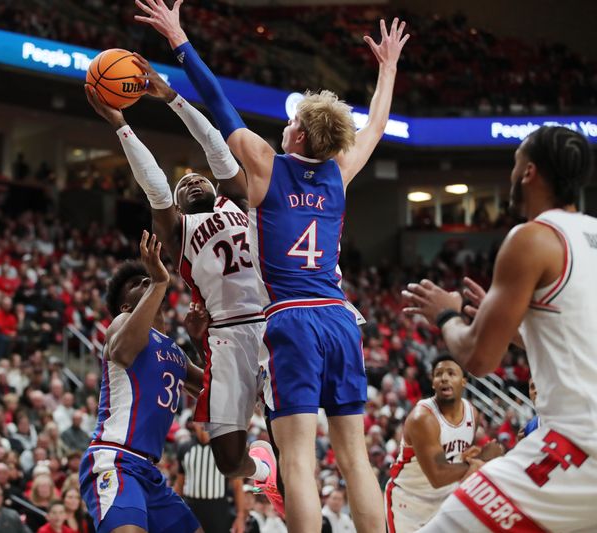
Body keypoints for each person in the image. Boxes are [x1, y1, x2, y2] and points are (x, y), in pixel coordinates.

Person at [136, 2, 408, 530]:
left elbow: (217, 100)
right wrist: (388, 67)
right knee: (356, 460)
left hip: (292, 321)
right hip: (340, 318)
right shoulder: (338, 171)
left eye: (292, 122)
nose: (285, 126)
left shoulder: (265, 166)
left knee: (299, 461)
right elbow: (375, 123)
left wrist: (178, 38)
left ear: (300, 136)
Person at [85, 54, 276, 499]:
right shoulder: (179, 233)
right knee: (228, 460)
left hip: (271, 320)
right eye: (182, 184)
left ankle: (287, 474)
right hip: (227, 334)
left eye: (198, 179)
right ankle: (262, 472)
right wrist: (121, 125)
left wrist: (172, 97)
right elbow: (153, 182)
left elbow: (216, 146)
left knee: (287, 424)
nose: (191, 180)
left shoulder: (239, 199)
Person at [402, 126, 596, 532]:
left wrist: (446, 314)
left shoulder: (533, 238)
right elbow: (573, 345)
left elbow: (478, 359)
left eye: (514, 164)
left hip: (579, 447)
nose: (511, 175)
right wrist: (503, 324)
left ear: (529, 172)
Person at [79, 232, 204, 533]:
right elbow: (122, 351)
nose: (146, 281)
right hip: (115, 458)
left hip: (149, 470)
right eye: (137, 284)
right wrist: (159, 283)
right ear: (125, 306)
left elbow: (214, 389)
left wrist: (201, 341)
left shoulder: (174, 350)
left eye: (147, 279)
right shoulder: (122, 324)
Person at [385, 355, 500, 532]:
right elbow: (437, 476)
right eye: (438, 374)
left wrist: (471, 458)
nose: (444, 378)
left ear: (463, 381)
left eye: (451, 373)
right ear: (433, 383)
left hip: (446, 498)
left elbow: (457, 461)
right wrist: (483, 459)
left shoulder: (472, 413)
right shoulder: (422, 418)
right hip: (410, 502)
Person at [175, 422, 244, 532]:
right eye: (200, 420)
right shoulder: (184, 448)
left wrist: (240, 516)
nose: (204, 424)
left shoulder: (225, 449)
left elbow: (237, 485)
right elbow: (179, 484)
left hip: (218, 510)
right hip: (191, 508)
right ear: (194, 423)